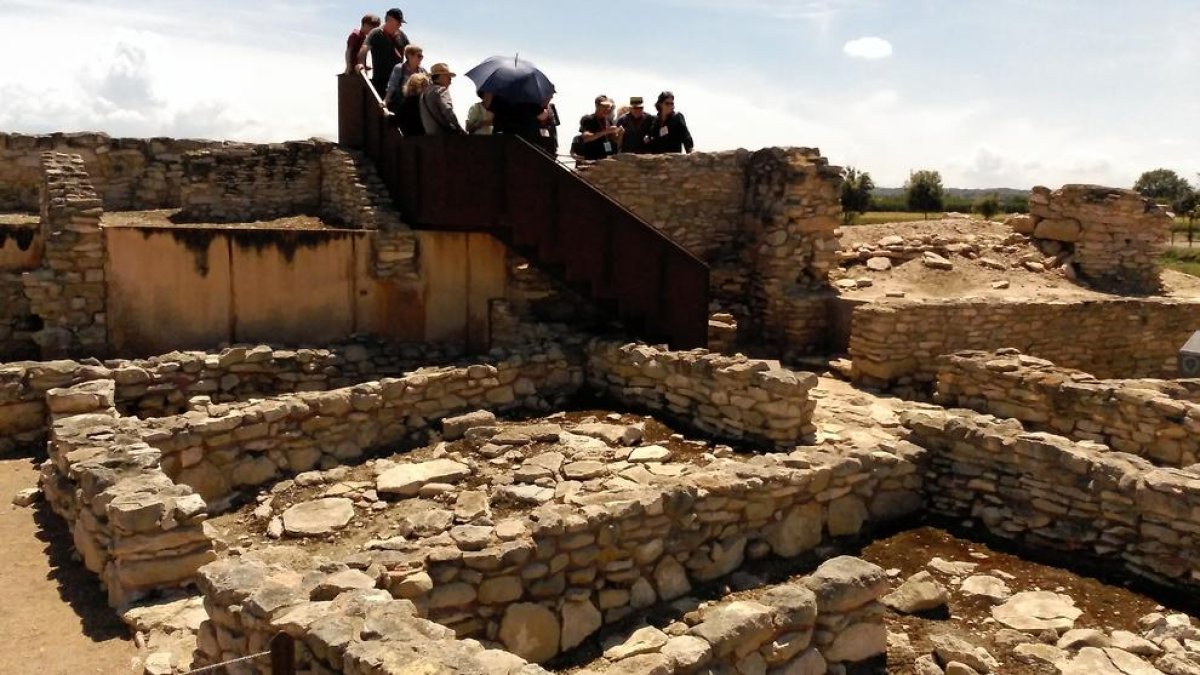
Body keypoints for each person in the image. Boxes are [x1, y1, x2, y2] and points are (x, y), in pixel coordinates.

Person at [356, 8, 410, 97]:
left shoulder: (401, 36)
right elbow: (363, 50)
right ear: (389, 20)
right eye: (398, 22)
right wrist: (361, 65)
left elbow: (411, 52)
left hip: (398, 81)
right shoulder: (376, 33)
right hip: (381, 81)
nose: (400, 25)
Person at [420, 63, 466, 135]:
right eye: (449, 77)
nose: (450, 82)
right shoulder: (441, 90)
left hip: (429, 138)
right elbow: (447, 110)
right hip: (444, 138)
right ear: (442, 76)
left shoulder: (424, 94)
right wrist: (459, 129)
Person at [576, 96, 622, 161]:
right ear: (597, 106)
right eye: (604, 106)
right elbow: (585, 138)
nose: (607, 109)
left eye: (608, 106)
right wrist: (606, 131)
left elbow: (613, 140)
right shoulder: (588, 119)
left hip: (605, 159)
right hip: (591, 159)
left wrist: (620, 134)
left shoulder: (608, 121)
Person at [383, 44, 426, 113]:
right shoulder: (400, 68)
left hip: (417, 106)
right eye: (419, 56)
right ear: (409, 56)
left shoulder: (422, 71)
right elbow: (392, 86)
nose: (421, 58)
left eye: (422, 57)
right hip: (401, 104)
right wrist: (385, 101)